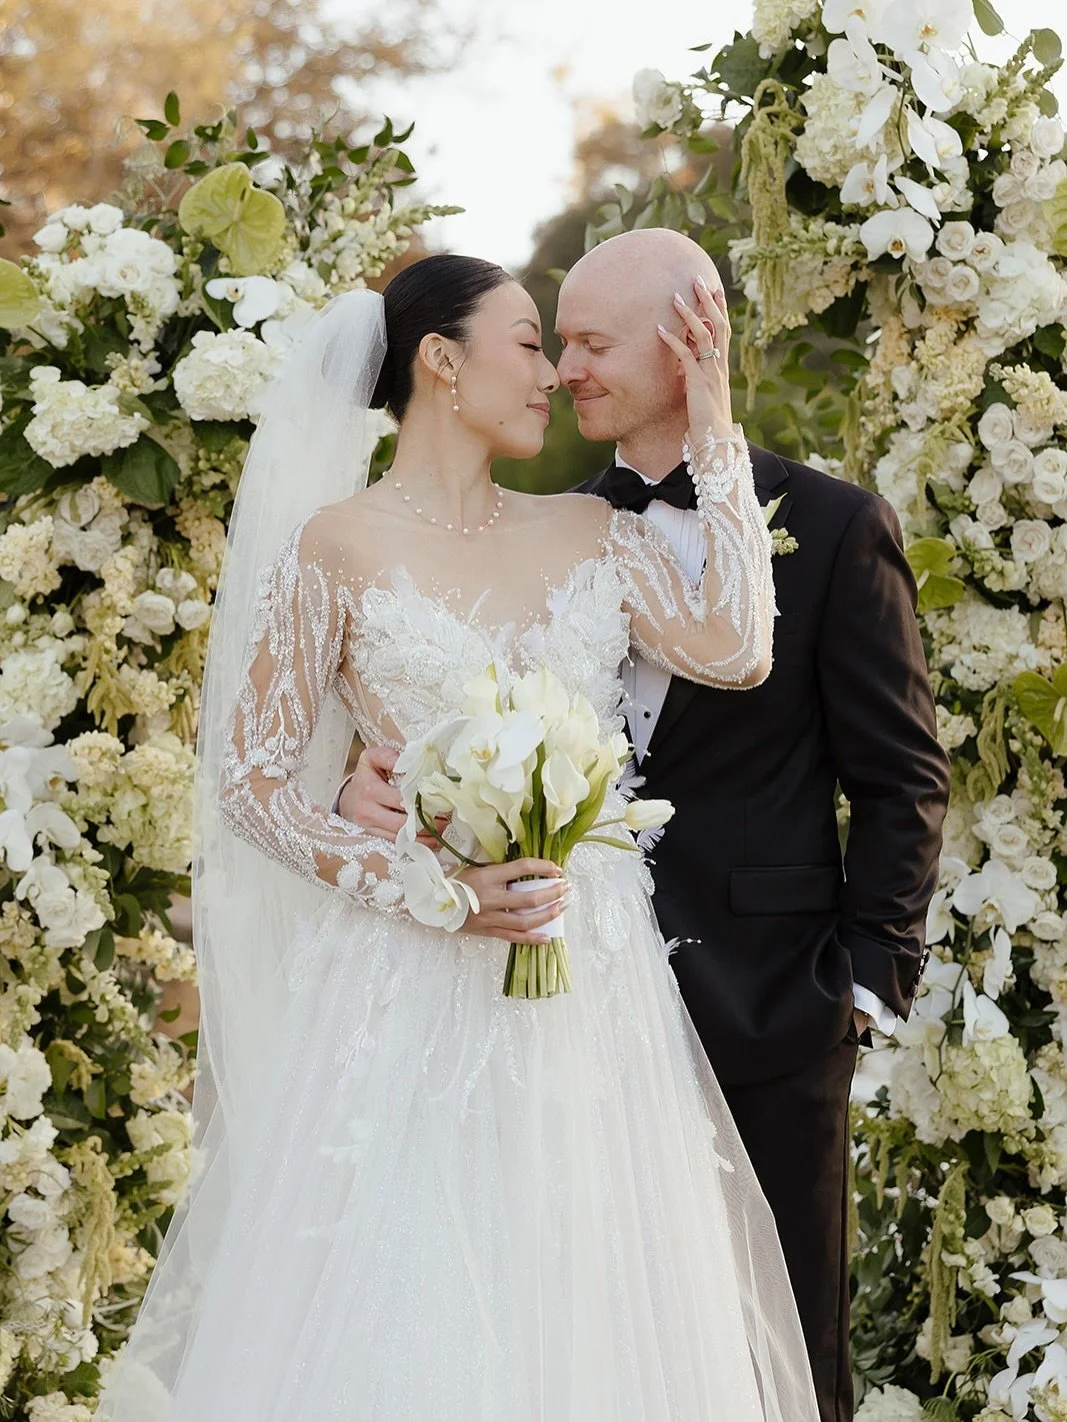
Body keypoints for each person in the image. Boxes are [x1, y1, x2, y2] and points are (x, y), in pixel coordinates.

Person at [94, 252, 822, 1421]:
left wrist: (715, 419)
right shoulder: (334, 547)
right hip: (404, 983)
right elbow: (252, 784)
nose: (551, 374)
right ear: (440, 360)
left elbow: (736, 646)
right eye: (529, 343)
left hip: (590, 984)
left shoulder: (591, 530)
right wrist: (427, 890)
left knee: (592, 1298)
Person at [339, 231, 952, 1422]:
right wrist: (373, 788)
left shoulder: (830, 525)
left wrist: (868, 980)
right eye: (553, 340)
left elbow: (899, 773)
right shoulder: (556, 531)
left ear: (691, 337)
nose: (564, 369)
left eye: (589, 340)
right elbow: (452, 716)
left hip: (774, 1005)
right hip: (564, 1007)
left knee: (783, 1364)